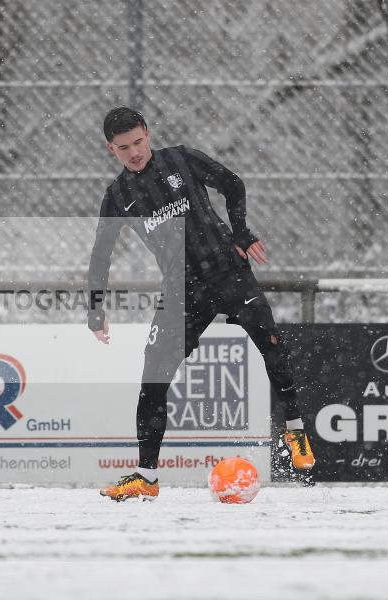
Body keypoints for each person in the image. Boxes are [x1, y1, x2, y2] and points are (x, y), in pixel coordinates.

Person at [88, 107, 314, 502]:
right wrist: (95, 309)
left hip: (229, 271)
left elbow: (233, 184)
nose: (135, 153)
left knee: (270, 341)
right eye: (124, 148)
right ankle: (146, 475)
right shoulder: (118, 196)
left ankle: (295, 429)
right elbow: (100, 255)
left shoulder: (181, 160)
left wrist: (241, 232)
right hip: (182, 290)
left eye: (139, 142)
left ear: (148, 134)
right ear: (112, 149)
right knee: (153, 376)